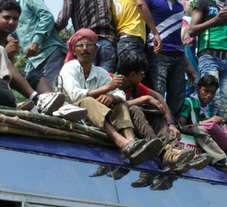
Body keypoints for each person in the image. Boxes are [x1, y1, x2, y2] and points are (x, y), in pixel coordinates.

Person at [56, 29, 162, 166]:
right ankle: (120, 141)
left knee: (120, 103)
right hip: (72, 113)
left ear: (95, 49)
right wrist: (107, 88)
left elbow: (120, 94)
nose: (85, 49)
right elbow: (75, 95)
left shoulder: (100, 72)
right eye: (80, 45)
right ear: (74, 51)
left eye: (89, 45)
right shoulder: (69, 68)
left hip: (95, 117)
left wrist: (112, 98)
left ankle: (131, 141)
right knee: (87, 100)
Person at [115, 50, 204, 176]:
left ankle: (177, 150)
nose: (143, 76)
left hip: (132, 121)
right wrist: (144, 99)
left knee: (155, 113)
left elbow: (158, 97)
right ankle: (163, 153)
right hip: (120, 123)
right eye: (141, 73)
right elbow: (113, 104)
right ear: (133, 74)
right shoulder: (111, 79)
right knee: (135, 109)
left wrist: (170, 123)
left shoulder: (134, 84)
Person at [0, 0, 67, 91]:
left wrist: (35, 41)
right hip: (32, 62)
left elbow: (46, 16)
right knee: (34, 96)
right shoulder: (11, 20)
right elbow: (11, 35)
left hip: (49, 53)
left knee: (52, 92)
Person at [146, 0, 197, 116]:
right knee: (158, 91)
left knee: (177, 95)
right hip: (158, 53)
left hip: (177, 55)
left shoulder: (180, 6)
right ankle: (158, 124)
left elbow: (178, 37)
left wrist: (188, 65)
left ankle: (172, 124)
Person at [56, 0, 118, 71]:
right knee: (108, 82)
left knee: (88, 83)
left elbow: (62, 21)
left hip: (86, 46)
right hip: (108, 43)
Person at [99, 0, 159, 64]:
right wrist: (155, 32)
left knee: (128, 73)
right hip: (133, 35)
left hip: (120, 41)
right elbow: (140, 5)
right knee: (134, 75)